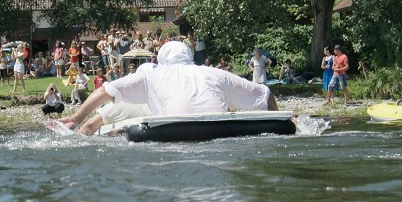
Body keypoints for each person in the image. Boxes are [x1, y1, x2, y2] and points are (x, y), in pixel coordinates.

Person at [57, 41, 278, 135]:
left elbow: (106, 90)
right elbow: (265, 94)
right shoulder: (215, 73)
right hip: (219, 129)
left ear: (160, 59)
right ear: (190, 56)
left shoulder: (151, 74)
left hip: (172, 131)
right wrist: (282, 121)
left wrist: (75, 119)